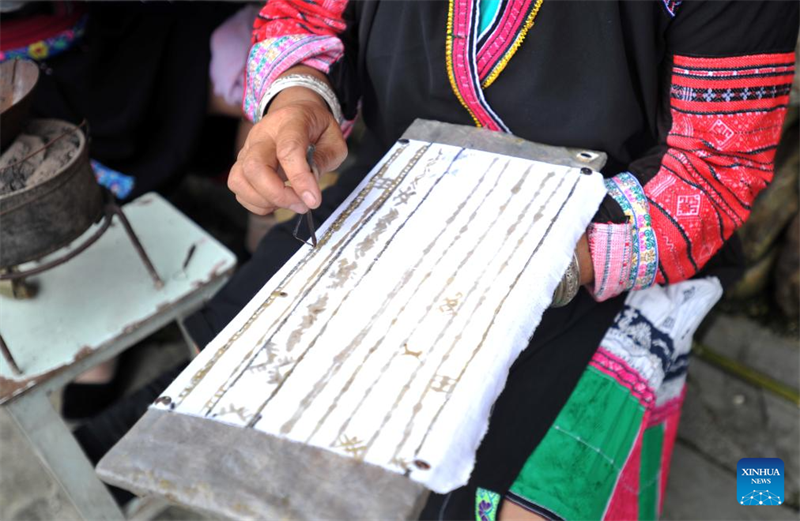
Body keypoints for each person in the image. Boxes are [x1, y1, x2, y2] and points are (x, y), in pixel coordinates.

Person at [97, 0, 800, 519]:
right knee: (254, 388)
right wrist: (294, 99)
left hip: (618, 238)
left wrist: (547, 264)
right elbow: (302, 17)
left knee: (503, 502)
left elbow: (714, 168)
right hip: (406, 188)